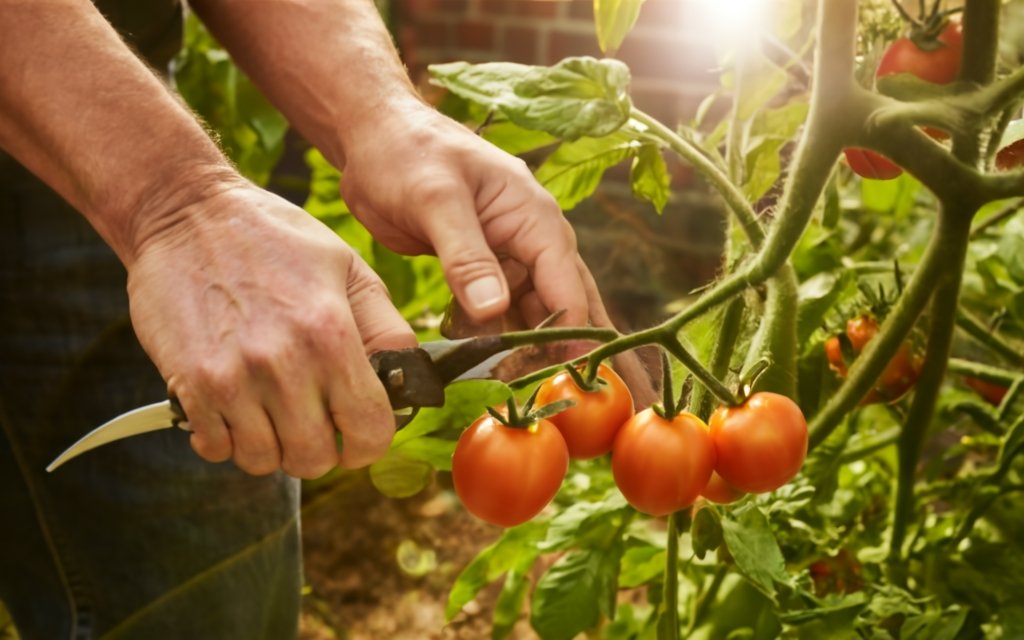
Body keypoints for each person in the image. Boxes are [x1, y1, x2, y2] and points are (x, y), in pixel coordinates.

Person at [0, 1, 640, 637]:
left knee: (212, 590)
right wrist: (176, 202)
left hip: (112, 98)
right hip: (103, 124)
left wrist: (380, 113)